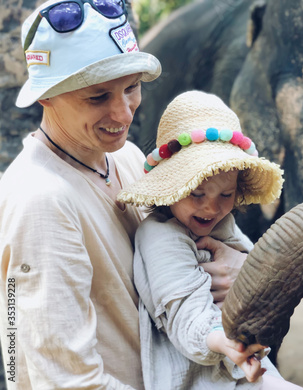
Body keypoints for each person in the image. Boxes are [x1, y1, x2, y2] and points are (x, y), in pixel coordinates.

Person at [0, 1, 247, 389]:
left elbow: (185, 254)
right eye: (98, 97)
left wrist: (239, 267)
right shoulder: (41, 199)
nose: (124, 114)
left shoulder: (128, 159)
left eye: (131, 87)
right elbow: (68, 381)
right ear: (45, 95)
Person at [117, 91, 303, 389]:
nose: (212, 208)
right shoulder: (160, 236)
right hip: (200, 378)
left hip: (240, 365)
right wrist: (225, 341)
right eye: (197, 193)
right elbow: (186, 318)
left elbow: (255, 274)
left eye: (226, 195)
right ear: (172, 187)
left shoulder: (223, 223)